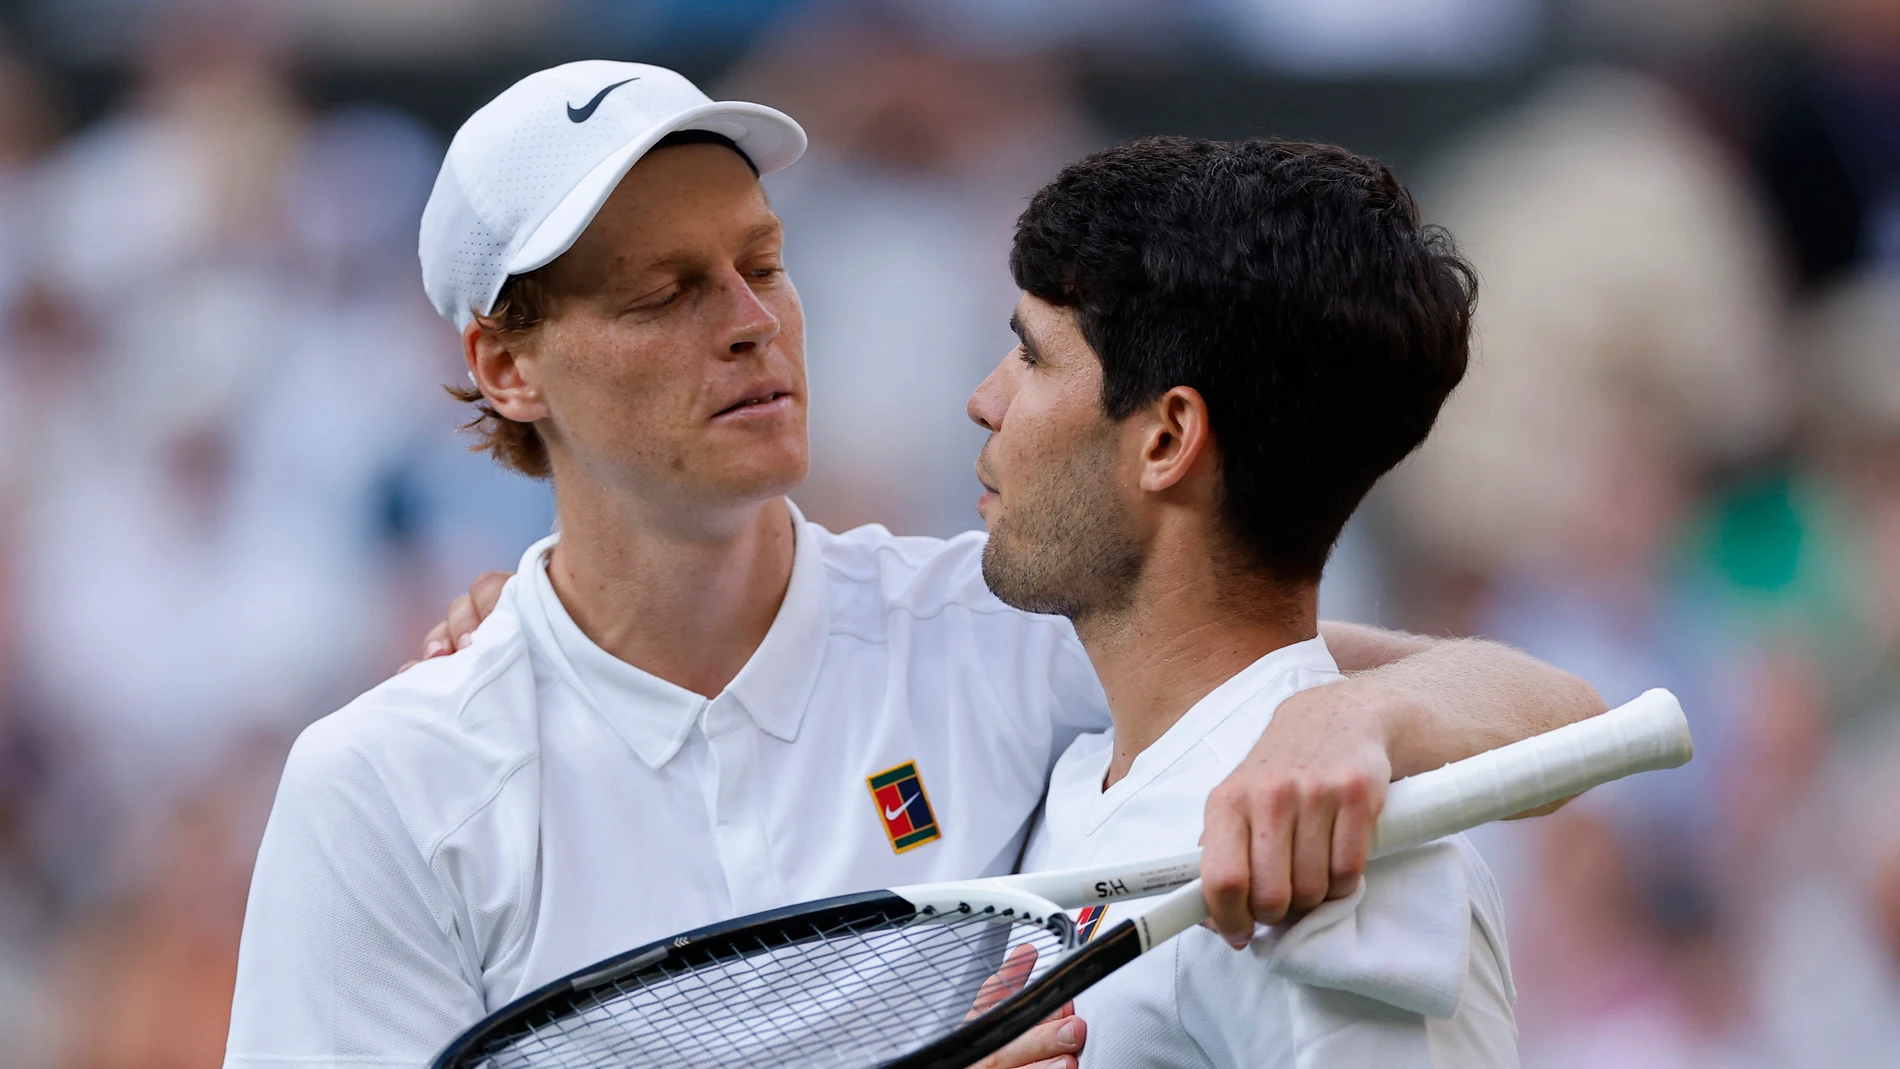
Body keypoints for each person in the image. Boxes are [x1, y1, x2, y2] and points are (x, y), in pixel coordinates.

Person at [226, 62, 1598, 1069]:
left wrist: (1360, 714)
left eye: (765, 262)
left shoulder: (1002, 624)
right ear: (505, 364)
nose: (754, 322)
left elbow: (1552, 715)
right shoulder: (386, 781)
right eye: (668, 293)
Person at [989, 136, 1513, 1066]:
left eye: (1030, 358)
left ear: (1167, 438)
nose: (986, 400)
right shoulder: (1078, 768)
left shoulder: (1347, 867)